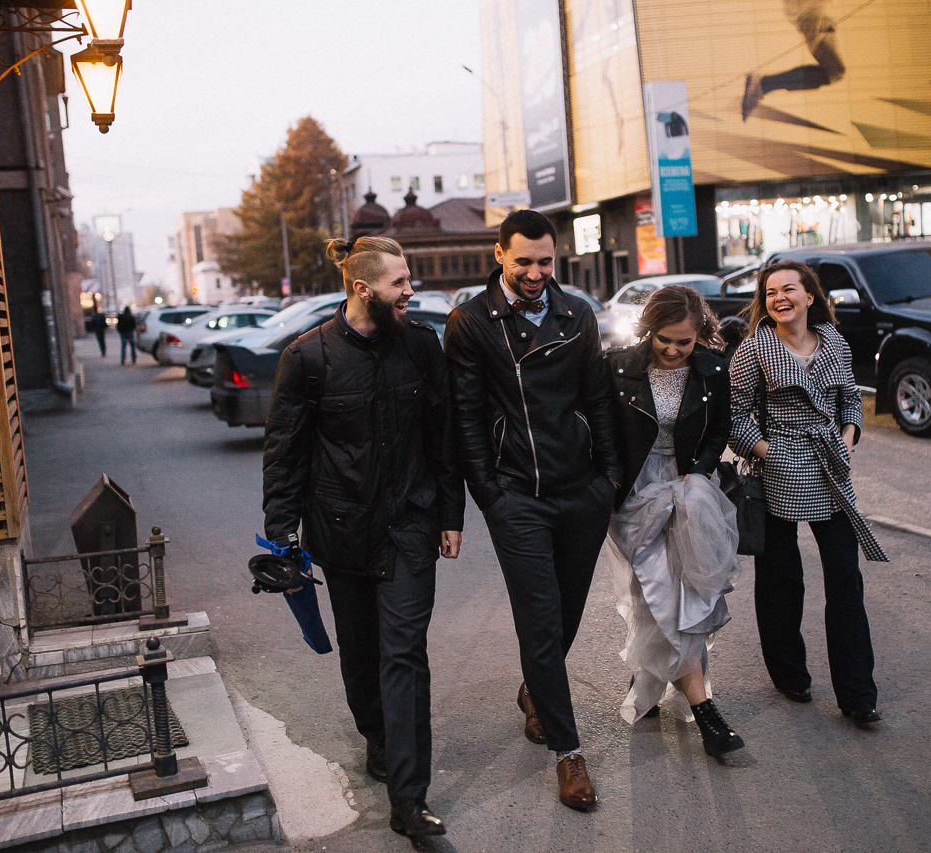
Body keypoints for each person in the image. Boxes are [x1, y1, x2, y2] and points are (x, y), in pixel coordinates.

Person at [262, 236, 464, 838]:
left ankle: (409, 800)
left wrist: (449, 515)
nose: (410, 292)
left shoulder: (421, 346)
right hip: (342, 530)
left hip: (409, 527)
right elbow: (285, 453)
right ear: (362, 288)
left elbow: (443, 435)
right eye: (399, 283)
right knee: (360, 653)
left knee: (404, 653)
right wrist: (282, 535)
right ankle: (376, 735)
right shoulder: (307, 358)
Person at [444, 209, 621, 810]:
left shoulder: (578, 314)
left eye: (546, 261)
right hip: (517, 495)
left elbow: (598, 398)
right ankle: (569, 753)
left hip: (581, 489)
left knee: (566, 612)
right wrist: (489, 495)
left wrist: (608, 478)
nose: (536, 272)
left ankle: (536, 692)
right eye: (523, 261)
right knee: (540, 620)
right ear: (499, 255)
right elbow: (465, 416)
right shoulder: (471, 322)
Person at [728, 259, 888, 728]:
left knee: (845, 578)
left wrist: (848, 437)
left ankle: (858, 695)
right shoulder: (755, 349)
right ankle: (789, 673)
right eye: (771, 292)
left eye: (789, 290)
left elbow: (850, 398)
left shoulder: (834, 341)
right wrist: (769, 451)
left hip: (829, 463)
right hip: (777, 467)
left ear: (809, 296)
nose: (779, 298)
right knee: (782, 578)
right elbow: (733, 414)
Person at [601, 286, 745, 762]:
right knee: (652, 591)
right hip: (634, 492)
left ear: (699, 334)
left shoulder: (712, 368)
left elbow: (719, 430)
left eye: (685, 342)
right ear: (649, 329)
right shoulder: (618, 366)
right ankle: (675, 688)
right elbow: (603, 430)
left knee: (687, 595)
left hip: (690, 492)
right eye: (665, 339)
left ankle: (700, 710)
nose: (673, 350)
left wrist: (698, 470)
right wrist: (609, 481)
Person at [741, 0, 846, 121]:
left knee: (834, 72)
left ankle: (764, 84)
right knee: (834, 71)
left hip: (817, 15)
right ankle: (763, 83)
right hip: (811, 14)